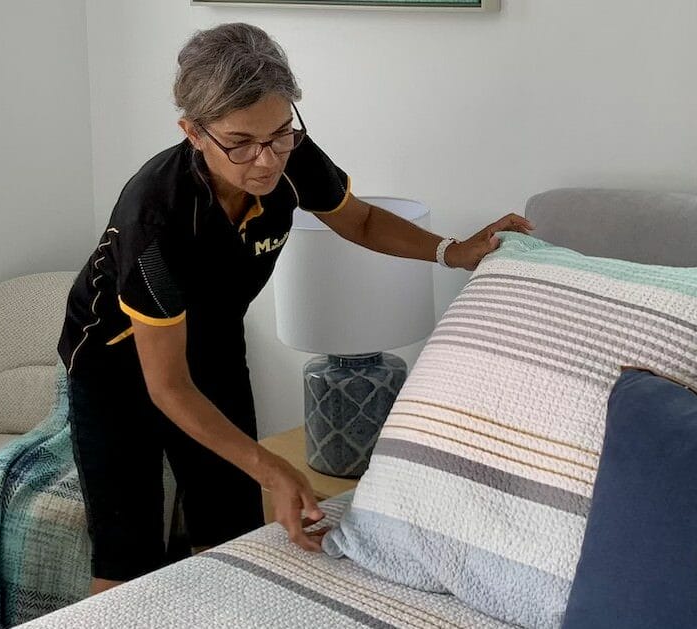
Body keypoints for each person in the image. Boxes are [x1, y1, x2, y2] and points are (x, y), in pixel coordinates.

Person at [57, 21, 533, 595]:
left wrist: (451, 252)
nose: (265, 160)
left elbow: (357, 219)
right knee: (126, 555)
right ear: (193, 132)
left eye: (280, 133)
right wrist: (272, 467)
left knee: (231, 531)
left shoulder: (287, 154)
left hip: (213, 341)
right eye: (240, 143)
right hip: (118, 368)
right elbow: (169, 388)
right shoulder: (156, 219)